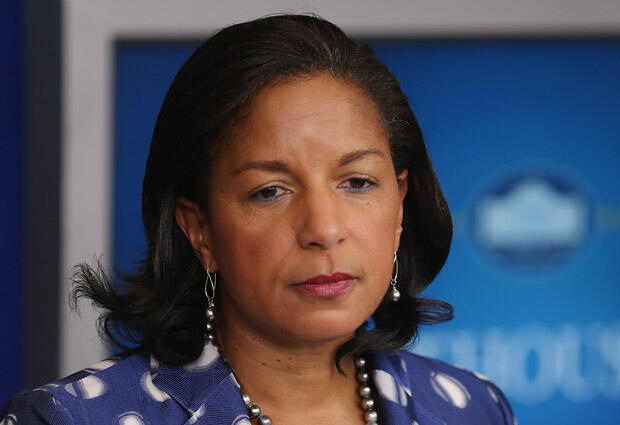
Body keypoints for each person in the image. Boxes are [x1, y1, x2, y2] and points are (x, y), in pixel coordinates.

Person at [2, 14, 515, 425]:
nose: (323, 229)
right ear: (198, 228)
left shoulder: (471, 407)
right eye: (270, 191)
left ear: (400, 204)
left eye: (357, 183)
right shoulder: (69, 419)